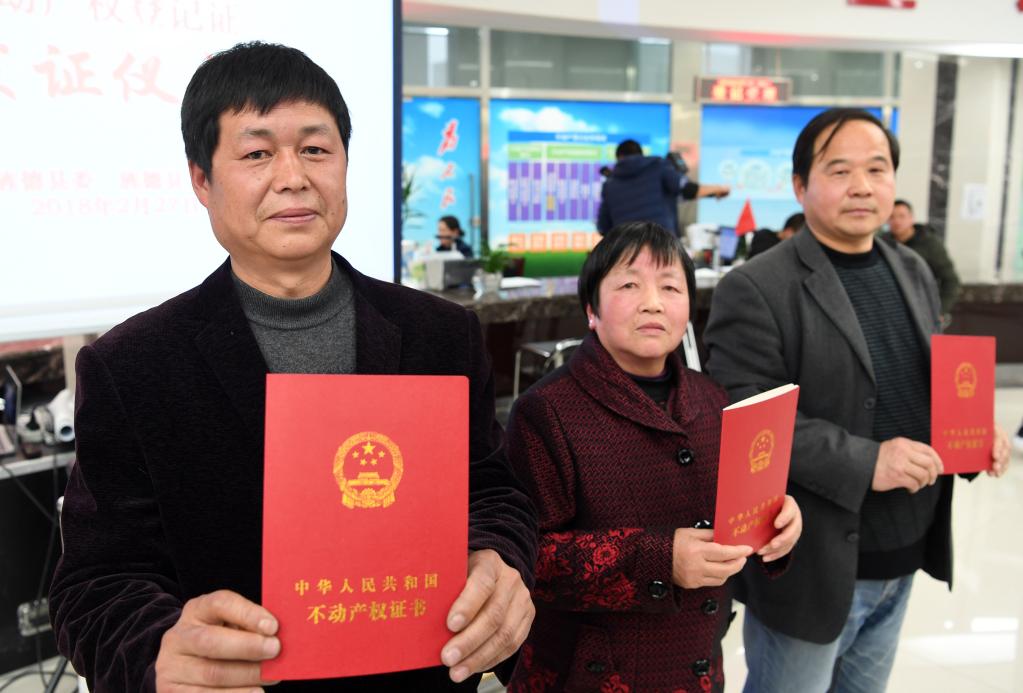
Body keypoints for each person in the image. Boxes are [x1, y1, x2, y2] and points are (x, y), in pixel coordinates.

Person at [48, 42, 537, 693]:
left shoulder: (440, 333)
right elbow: (96, 581)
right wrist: (157, 651)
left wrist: (499, 559)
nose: (293, 176)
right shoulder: (132, 365)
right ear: (202, 180)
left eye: (315, 149)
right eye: (256, 154)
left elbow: (492, 491)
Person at [704, 108, 1011, 693]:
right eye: (840, 170)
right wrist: (870, 461)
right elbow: (744, 417)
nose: (862, 186)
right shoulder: (758, 286)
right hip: (811, 564)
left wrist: (973, 431)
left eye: (877, 168)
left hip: (905, 549)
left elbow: (918, 379)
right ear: (800, 186)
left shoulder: (912, 267)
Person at [504, 222, 801, 692]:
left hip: (698, 666)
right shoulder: (546, 412)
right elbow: (525, 559)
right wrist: (661, 560)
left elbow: (734, 517)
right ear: (591, 310)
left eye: (670, 287)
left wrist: (774, 523)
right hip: (591, 675)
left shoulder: (714, 400)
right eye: (628, 285)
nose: (653, 302)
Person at [597, 140, 730, 237]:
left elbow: (603, 227)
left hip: (626, 251)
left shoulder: (609, 184)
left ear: (619, 158)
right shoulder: (658, 166)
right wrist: (718, 189)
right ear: (641, 154)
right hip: (662, 245)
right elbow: (687, 190)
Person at [881, 198, 961, 317]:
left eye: (902, 216)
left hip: (923, 309)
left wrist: (940, 311)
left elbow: (951, 280)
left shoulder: (929, 243)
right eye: (892, 217)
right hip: (891, 309)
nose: (897, 221)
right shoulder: (882, 244)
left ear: (911, 218)